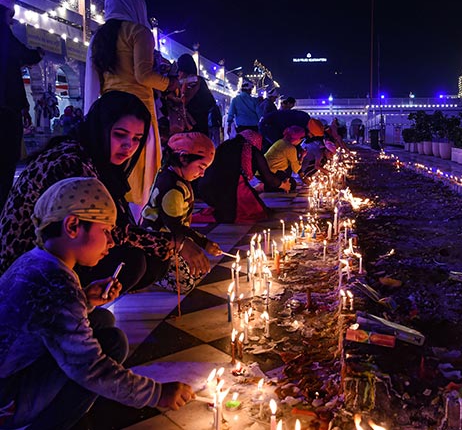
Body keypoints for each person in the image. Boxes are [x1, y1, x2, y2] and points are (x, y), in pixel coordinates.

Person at [0, 177, 195, 430]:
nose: (111, 242)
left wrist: (84, 300)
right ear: (72, 226)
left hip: (11, 375)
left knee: (101, 320)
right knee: (111, 343)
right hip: (8, 400)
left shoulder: (35, 261)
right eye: (105, 231)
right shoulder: (57, 284)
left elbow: (44, 319)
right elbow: (90, 367)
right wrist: (158, 394)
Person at [0, 91, 211, 292]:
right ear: (101, 128)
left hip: (53, 252)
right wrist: (176, 243)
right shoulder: (72, 163)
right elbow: (108, 230)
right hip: (26, 265)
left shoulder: (93, 157)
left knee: (154, 257)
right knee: (132, 261)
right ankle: (67, 304)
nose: (129, 146)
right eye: (120, 134)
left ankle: (84, 301)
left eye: (137, 139)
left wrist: (172, 244)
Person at [85, 0, 180, 210]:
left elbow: (93, 79)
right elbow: (143, 75)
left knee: (111, 159)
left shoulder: (99, 37)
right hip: (136, 108)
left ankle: (112, 211)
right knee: (139, 164)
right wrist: (169, 84)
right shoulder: (138, 32)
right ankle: (138, 217)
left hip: (108, 110)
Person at [140, 132, 221, 292]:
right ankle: (154, 275)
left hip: (175, 239)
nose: (202, 174)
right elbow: (176, 227)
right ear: (183, 158)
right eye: (200, 167)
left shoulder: (177, 177)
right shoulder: (172, 188)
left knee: (199, 271)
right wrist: (203, 243)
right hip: (160, 242)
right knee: (186, 284)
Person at [0, 0, 45, 210]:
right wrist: (38, 53)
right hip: (5, 110)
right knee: (5, 164)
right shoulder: (3, 32)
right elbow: (22, 57)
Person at [197, 130, 291, 223]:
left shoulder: (225, 146)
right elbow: (268, 178)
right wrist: (283, 185)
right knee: (256, 211)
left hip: (205, 189)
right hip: (228, 190)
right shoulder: (251, 149)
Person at [176, 53, 218, 137]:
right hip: (201, 123)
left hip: (183, 123)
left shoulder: (177, 83)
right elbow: (210, 102)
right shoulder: (199, 81)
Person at [264, 125, 307, 191]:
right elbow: (296, 169)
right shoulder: (290, 148)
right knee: (291, 185)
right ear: (297, 138)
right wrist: (302, 156)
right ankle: (265, 186)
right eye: (301, 139)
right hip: (270, 172)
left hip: (263, 170)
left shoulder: (280, 141)